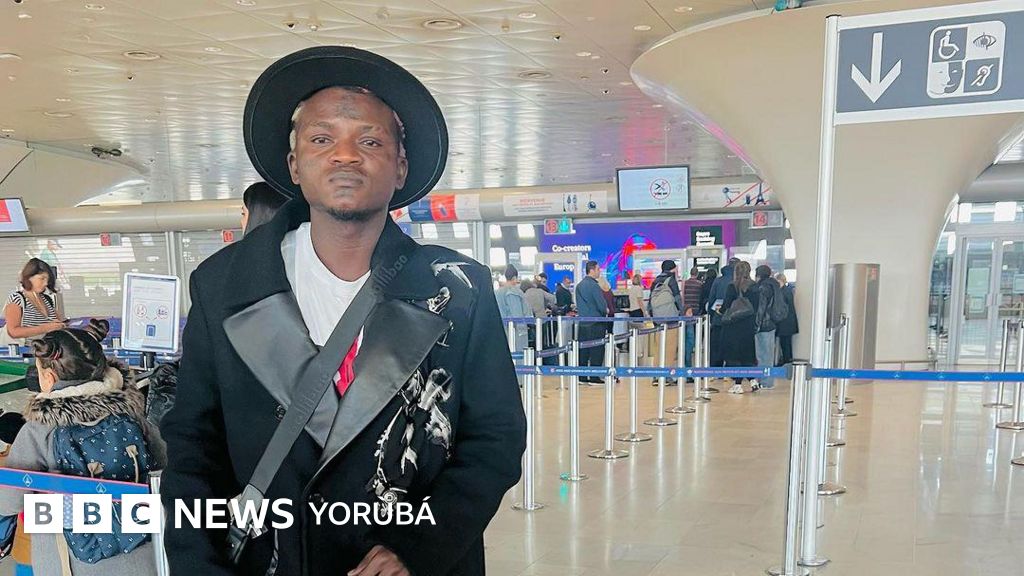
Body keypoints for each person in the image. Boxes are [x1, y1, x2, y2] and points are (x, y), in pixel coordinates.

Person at [160, 46, 526, 576]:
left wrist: (419, 550)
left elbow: (495, 437)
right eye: (322, 139)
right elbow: (193, 445)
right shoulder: (224, 285)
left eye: (370, 141)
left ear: (400, 167)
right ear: (294, 164)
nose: (346, 155)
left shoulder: (457, 287)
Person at [0, 319, 166, 576]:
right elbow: (164, 468)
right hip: (144, 557)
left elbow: (9, 500)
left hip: (76, 564)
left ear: (48, 377)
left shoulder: (40, 430)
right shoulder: (133, 416)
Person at [718, 261, 758, 394]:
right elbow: (756, 306)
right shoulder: (754, 287)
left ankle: (738, 384)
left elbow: (726, 305)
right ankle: (753, 380)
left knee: (734, 356)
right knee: (747, 355)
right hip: (748, 325)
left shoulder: (732, 286)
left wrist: (720, 311)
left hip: (733, 325)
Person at [4, 259, 65, 342]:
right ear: (29, 277)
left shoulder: (47, 299)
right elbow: (13, 332)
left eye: (47, 279)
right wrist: (46, 328)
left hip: (49, 348)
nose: (46, 283)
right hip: (28, 349)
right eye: (42, 278)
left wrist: (60, 325)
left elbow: (57, 322)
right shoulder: (17, 299)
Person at [575, 260, 608, 384]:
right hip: (596, 322)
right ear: (592, 270)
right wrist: (606, 310)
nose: (599, 272)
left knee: (583, 350)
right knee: (596, 350)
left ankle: (582, 376)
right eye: (598, 269)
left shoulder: (579, 285)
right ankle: (594, 376)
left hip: (583, 323)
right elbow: (601, 305)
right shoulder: (594, 285)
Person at [707, 258, 738, 367]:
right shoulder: (739, 281)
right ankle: (730, 369)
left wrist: (712, 315)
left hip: (718, 319)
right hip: (734, 320)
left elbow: (711, 299)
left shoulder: (718, 281)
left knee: (716, 348)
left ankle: (716, 369)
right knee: (732, 349)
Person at [753, 265, 779, 389]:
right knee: (768, 354)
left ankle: (765, 382)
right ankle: (766, 381)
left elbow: (761, 309)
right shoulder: (774, 285)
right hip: (772, 324)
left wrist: (756, 325)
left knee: (762, 355)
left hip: (764, 325)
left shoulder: (763, 287)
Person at [496, 265, 530, 351]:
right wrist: (523, 329)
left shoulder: (497, 293)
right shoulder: (515, 292)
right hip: (515, 331)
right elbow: (517, 313)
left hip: (500, 331)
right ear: (514, 277)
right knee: (518, 354)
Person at [775, 273, 799, 365]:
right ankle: (787, 361)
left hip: (785, 323)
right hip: (789, 322)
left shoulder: (782, 292)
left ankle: (787, 362)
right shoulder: (788, 291)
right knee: (786, 344)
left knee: (785, 344)